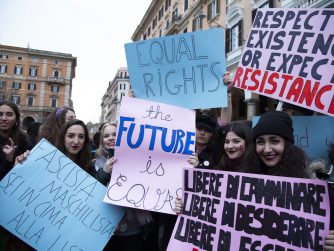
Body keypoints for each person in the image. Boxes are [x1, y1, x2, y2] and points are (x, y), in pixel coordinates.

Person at [251, 110, 334, 250]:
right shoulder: (245, 180)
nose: (266, 149)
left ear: (288, 144)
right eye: (260, 142)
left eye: (274, 141)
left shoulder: (316, 190)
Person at [92, 122, 153, 251]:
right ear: (102, 140)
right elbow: (93, 193)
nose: (111, 138)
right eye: (106, 136)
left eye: (115, 134)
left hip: (134, 230)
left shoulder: (135, 159)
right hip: (107, 231)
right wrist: (105, 172)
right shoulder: (96, 163)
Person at [0, 100, 32, 180]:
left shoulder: (24, 140)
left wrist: (27, 158)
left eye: (9, 114)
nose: (4, 118)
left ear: (16, 118)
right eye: (0, 114)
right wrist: (8, 159)